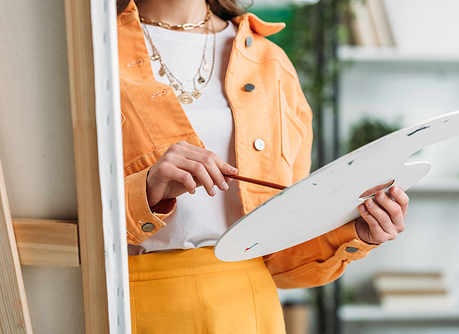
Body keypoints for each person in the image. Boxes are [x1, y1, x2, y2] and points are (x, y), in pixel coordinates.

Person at [116, 0, 409, 333]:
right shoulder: (93, 54)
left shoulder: (272, 63)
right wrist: (146, 190)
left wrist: (356, 232)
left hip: (250, 306)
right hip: (130, 302)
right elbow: (64, 217)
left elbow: (284, 260)